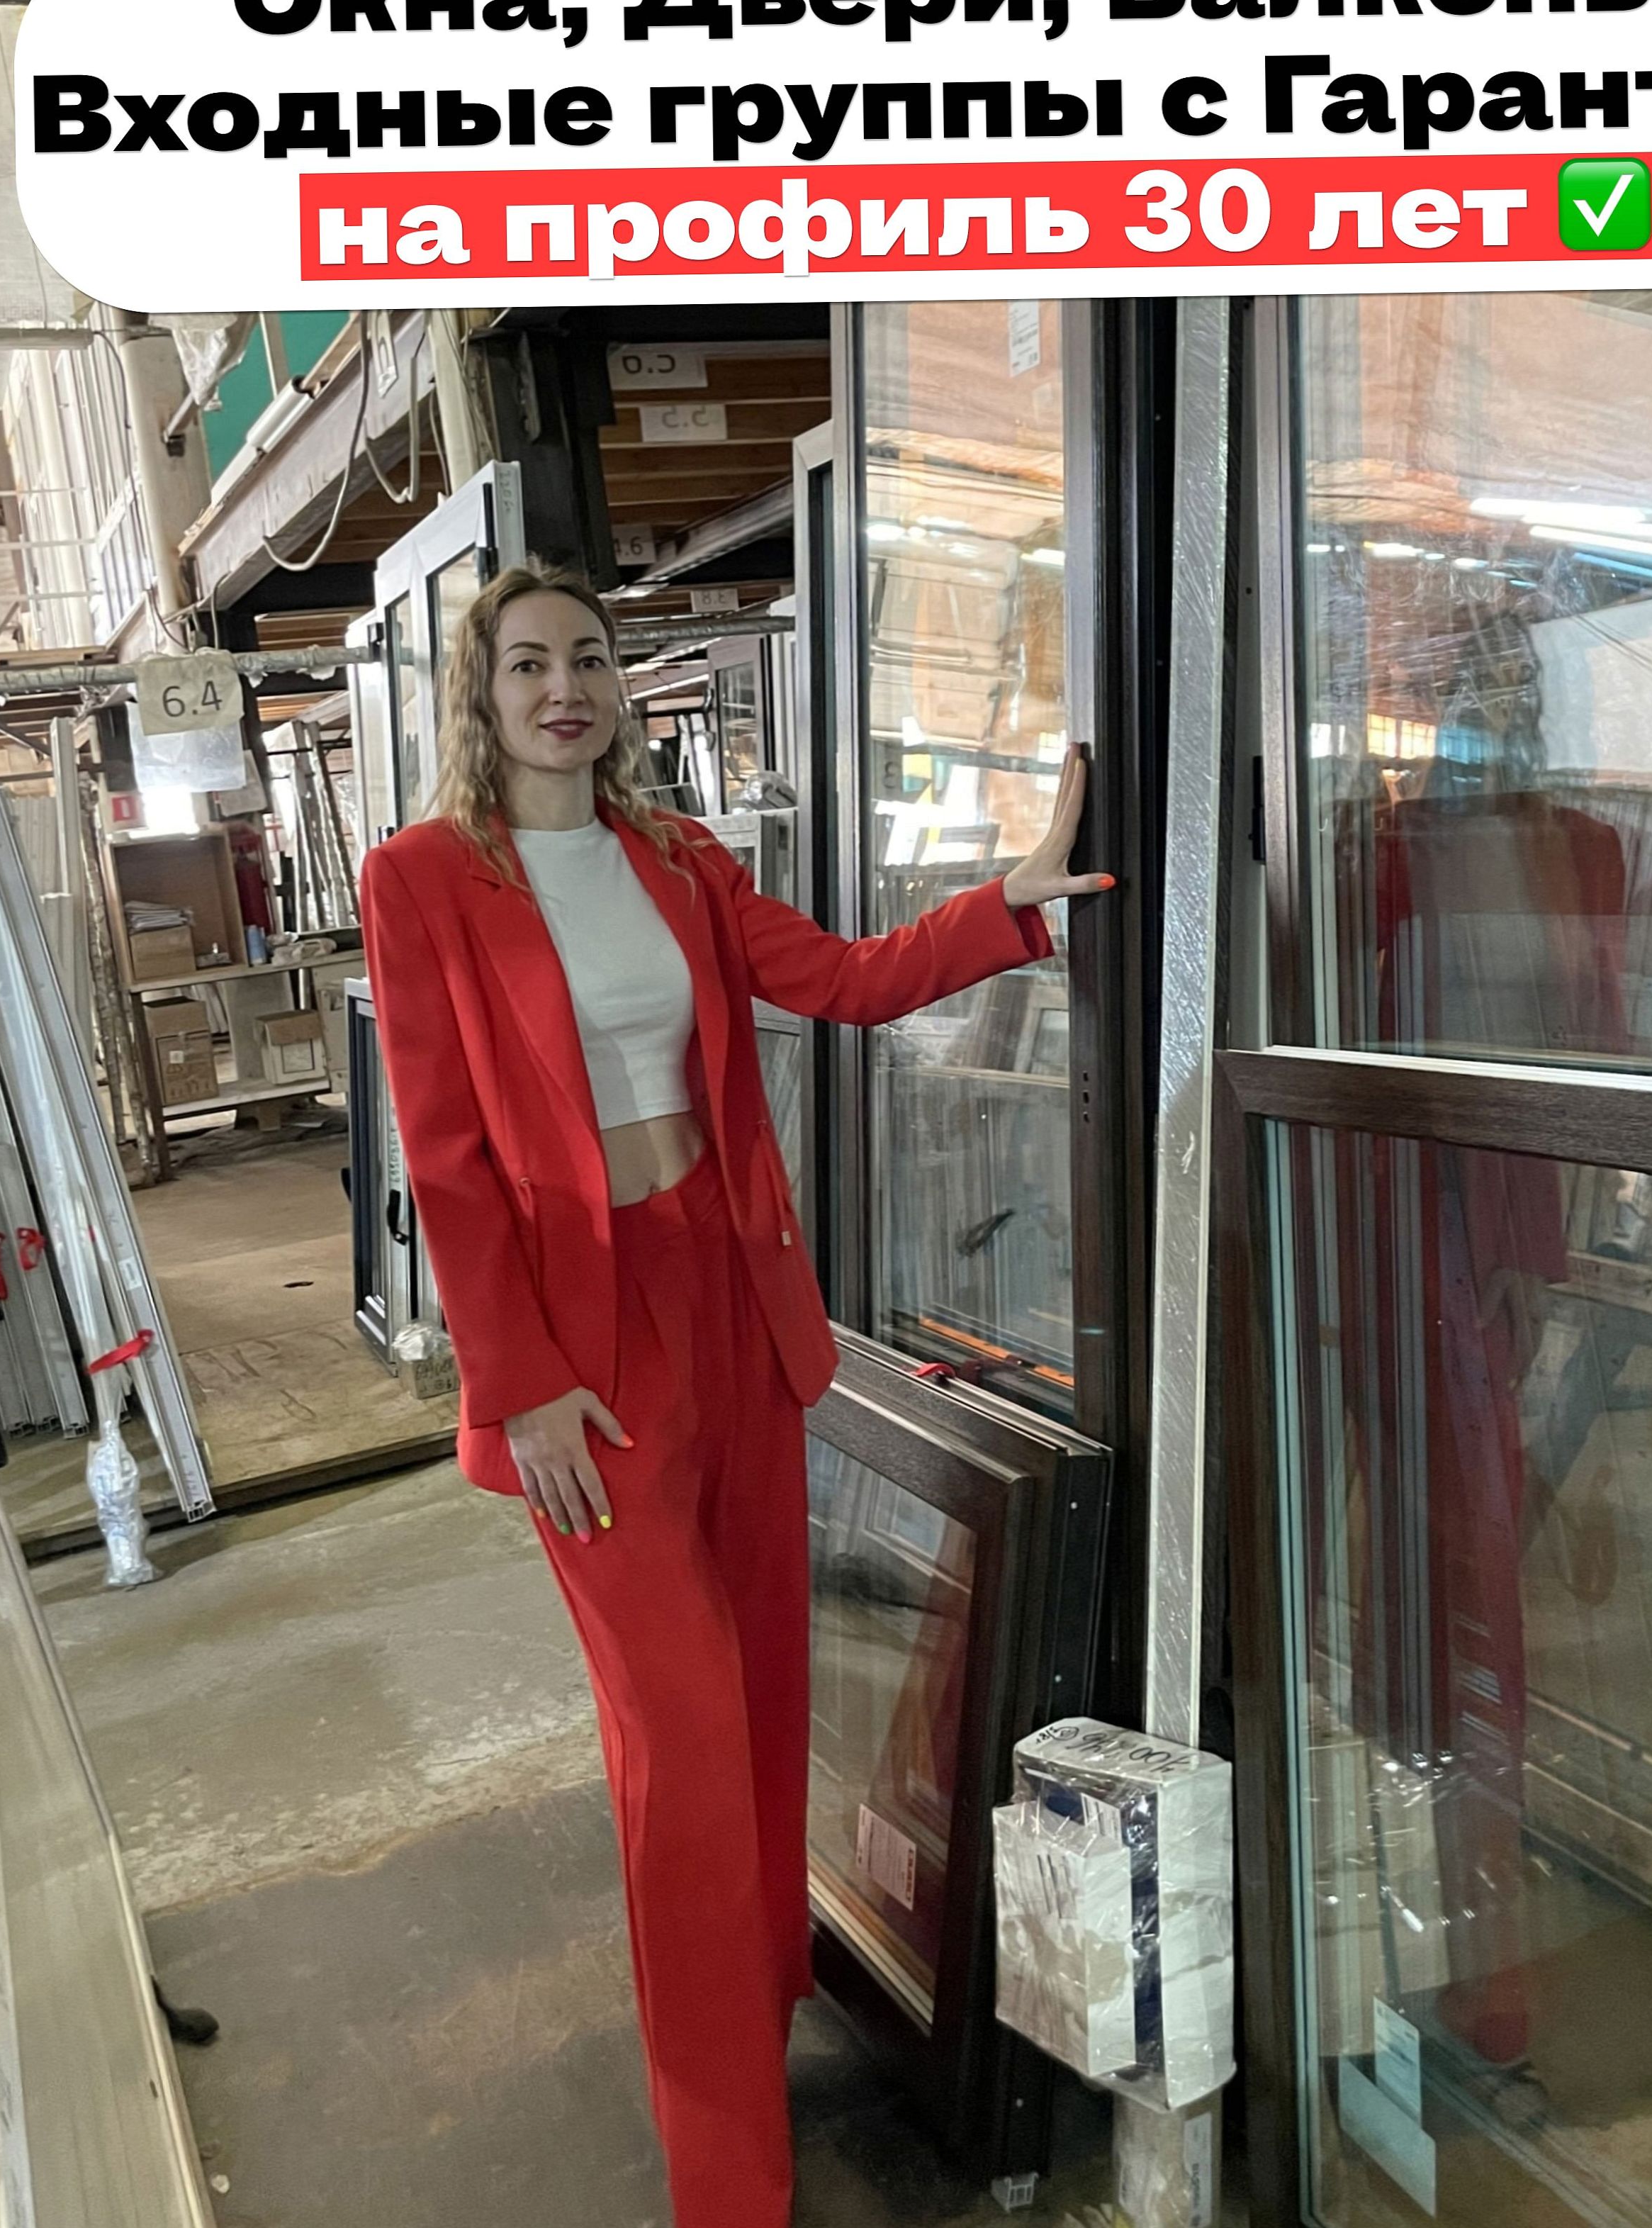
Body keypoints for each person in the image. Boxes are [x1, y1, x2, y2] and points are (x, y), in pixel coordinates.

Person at [358, 559, 1111, 2227]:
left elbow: (844, 979)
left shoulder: (680, 860)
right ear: (482, 694)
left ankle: (760, 1993)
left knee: (764, 1687)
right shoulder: (422, 879)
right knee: (682, 1735)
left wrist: (1011, 900)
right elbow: (449, 1160)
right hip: (583, 1353)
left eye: (588, 658)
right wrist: (522, 1382)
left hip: (731, 1302)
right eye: (528, 663)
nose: (565, 687)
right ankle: (725, 2174)